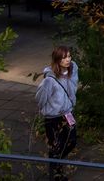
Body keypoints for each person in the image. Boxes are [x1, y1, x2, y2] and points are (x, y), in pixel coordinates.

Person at [35, 46, 79, 180]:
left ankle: (54, 162)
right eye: (64, 58)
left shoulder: (72, 71)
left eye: (69, 56)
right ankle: (56, 174)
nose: (68, 60)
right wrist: (49, 109)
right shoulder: (50, 80)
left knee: (71, 141)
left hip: (67, 114)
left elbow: (73, 81)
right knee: (56, 146)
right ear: (57, 60)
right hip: (53, 118)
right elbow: (40, 99)